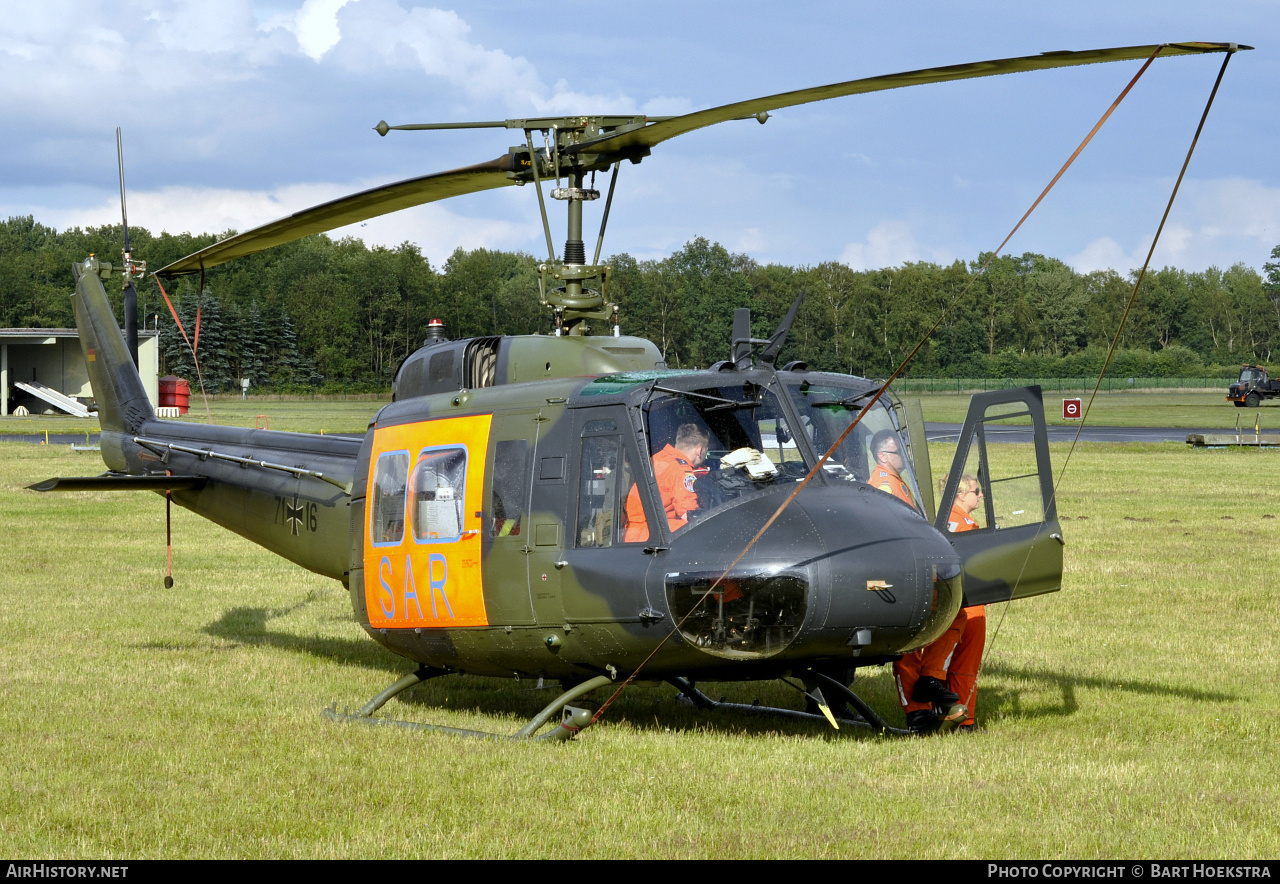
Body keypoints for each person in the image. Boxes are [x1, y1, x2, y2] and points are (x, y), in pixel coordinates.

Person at [893, 473, 986, 734]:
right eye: (976, 491)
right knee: (964, 663)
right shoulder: (966, 525)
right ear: (960, 495)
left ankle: (930, 708)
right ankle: (963, 719)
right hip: (964, 602)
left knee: (926, 656)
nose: (980, 495)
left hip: (932, 595)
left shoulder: (937, 519)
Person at [623, 422, 710, 543]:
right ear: (699, 451)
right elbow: (689, 514)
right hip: (651, 537)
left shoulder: (658, 458)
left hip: (633, 533)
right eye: (707, 451)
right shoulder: (681, 469)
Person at [867, 429, 916, 508]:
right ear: (883, 457)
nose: (908, 454)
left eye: (906, 450)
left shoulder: (892, 478)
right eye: (899, 451)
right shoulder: (886, 488)